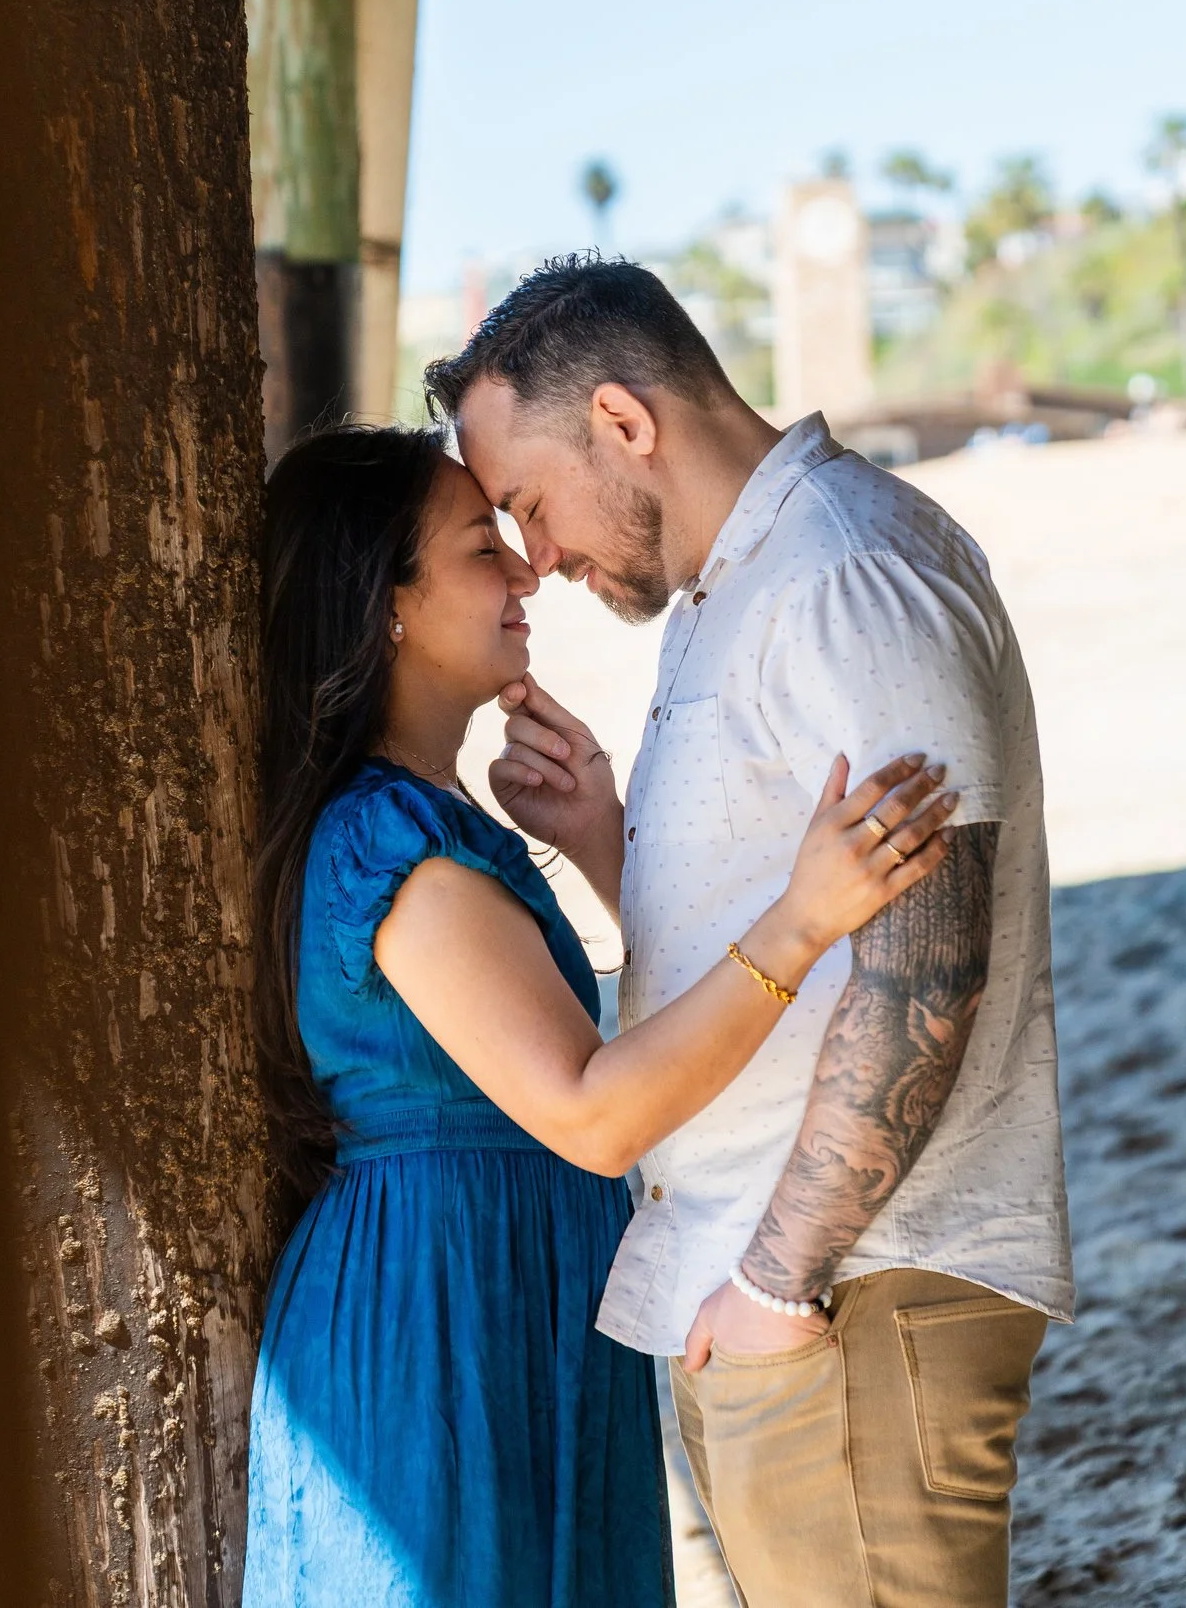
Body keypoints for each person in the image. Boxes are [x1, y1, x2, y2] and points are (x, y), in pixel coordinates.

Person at [428, 254, 1073, 1607]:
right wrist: (611, 839)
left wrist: (779, 1289)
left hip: (853, 1295)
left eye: (530, 503)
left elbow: (923, 968)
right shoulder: (739, 586)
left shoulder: (845, 575)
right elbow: (812, 925)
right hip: (796, 1289)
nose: (536, 556)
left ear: (622, 420)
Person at [242, 423, 959, 1607]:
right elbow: (594, 1114)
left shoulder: (433, 824)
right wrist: (801, 917)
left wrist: (598, 840)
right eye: (482, 547)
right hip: (442, 1316)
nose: (526, 571)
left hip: (502, 1287)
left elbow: (631, 1065)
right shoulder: (388, 842)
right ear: (388, 609)